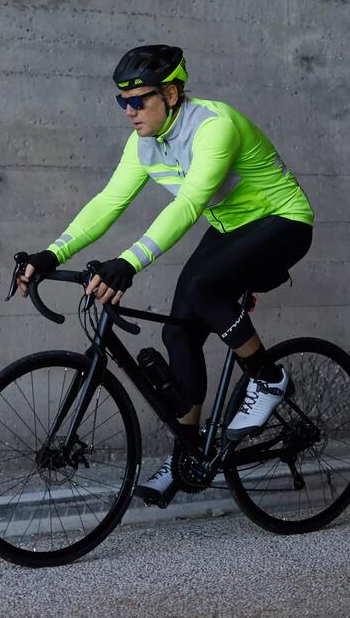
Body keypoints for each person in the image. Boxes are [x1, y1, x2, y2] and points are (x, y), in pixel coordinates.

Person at [17, 45, 314, 506]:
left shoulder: (215, 126)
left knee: (201, 287)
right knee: (180, 331)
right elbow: (109, 202)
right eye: (123, 102)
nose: (130, 111)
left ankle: (268, 376)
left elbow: (189, 205)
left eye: (139, 100)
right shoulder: (143, 143)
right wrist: (53, 253)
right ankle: (187, 456)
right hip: (229, 228)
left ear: (172, 94)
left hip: (282, 221)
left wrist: (130, 262)